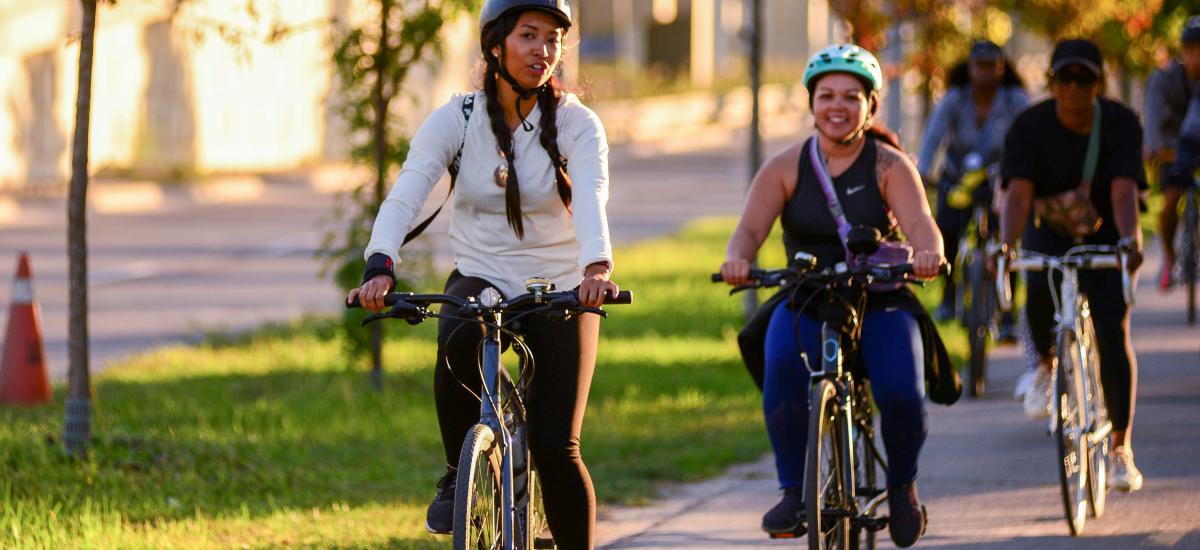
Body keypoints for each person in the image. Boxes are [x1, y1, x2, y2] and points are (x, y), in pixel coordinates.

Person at [347, 1, 619, 546]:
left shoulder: (575, 123)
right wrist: (380, 264)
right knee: (458, 328)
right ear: (495, 45)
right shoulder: (459, 118)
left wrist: (595, 266)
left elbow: (589, 195)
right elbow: (409, 189)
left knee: (555, 444)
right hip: (483, 274)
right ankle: (457, 474)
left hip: (563, 285)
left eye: (551, 39)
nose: (542, 51)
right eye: (528, 36)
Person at [719, 44, 946, 548]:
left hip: (878, 298)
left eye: (851, 96)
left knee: (901, 394)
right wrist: (737, 261)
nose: (837, 106)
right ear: (811, 103)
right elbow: (747, 232)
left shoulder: (889, 165)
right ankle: (792, 491)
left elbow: (922, 227)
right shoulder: (785, 167)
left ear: (871, 105)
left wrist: (928, 254)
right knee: (780, 366)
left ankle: (903, 485)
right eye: (826, 96)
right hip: (808, 295)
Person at [997, 38, 1145, 492]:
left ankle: (1120, 448)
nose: (1075, 87)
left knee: (1112, 330)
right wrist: (1005, 247)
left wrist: (1128, 239)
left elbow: (1123, 190)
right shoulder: (1029, 126)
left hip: (1104, 233)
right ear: (1052, 82)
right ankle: (1045, 366)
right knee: (1037, 287)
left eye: (1085, 78)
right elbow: (1018, 192)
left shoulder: (1120, 123)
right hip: (1050, 229)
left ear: (1098, 83)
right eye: (1066, 77)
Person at [918, 40, 1029, 342]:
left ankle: (1007, 313)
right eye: (979, 65)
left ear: (1001, 67)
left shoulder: (1015, 99)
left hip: (1000, 180)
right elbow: (933, 137)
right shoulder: (954, 99)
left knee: (1006, 239)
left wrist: (1025, 176)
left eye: (991, 65)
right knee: (947, 229)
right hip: (959, 176)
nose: (985, 71)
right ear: (969, 68)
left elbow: (1028, 138)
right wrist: (924, 171)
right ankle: (948, 294)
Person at [1144, 16, 1200, 291]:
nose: (1197, 56)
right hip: (1173, 148)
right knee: (1170, 201)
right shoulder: (1164, 79)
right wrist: (1151, 146)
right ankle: (1169, 253)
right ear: (1183, 52)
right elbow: (1152, 115)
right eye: (1192, 50)